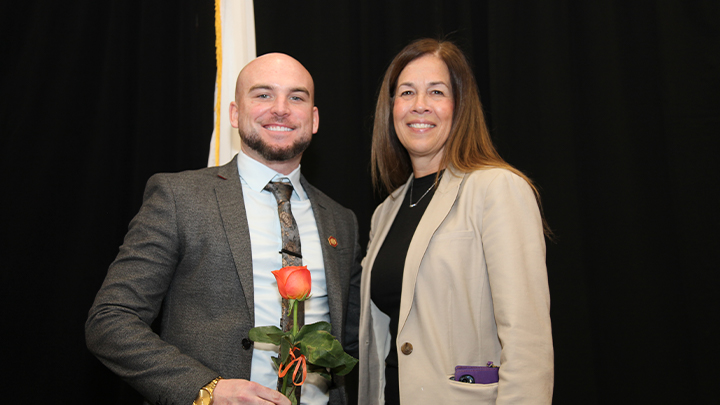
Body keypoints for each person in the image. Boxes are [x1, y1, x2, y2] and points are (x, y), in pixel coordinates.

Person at [86, 53, 362, 405]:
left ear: (314, 118)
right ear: (235, 113)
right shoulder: (179, 197)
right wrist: (208, 389)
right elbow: (110, 320)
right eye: (262, 94)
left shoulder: (341, 221)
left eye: (296, 97)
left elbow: (353, 342)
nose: (280, 108)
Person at [357, 39, 554, 404]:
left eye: (436, 91)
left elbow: (527, 340)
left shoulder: (497, 188)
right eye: (406, 92)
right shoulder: (385, 212)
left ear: (460, 105)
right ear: (391, 108)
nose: (420, 105)